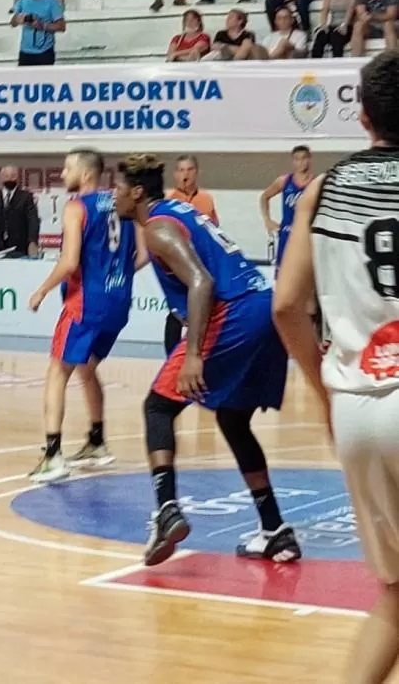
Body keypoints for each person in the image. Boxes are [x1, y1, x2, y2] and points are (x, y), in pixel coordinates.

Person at [273, 49, 399, 684]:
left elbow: (286, 306)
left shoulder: (321, 190)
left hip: (357, 407)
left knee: (395, 593)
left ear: (364, 116)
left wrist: (327, 393)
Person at [112, 154, 301, 567]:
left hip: (235, 313)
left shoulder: (158, 227)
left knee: (158, 407)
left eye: (118, 189)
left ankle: (167, 510)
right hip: (264, 308)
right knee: (233, 419)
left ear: (138, 193)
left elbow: (201, 281)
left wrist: (194, 354)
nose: (113, 197)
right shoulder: (180, 211)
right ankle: (275, 529)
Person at [27, 150, 145, 483]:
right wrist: (117, 276)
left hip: (85, 304)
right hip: (118, 303)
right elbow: (144, 254)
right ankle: (97, 442)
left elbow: (69, 263)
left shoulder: (76, 207)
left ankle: (53, 456)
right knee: (86, 367)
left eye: (68, 168)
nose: (63, 174)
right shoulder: (123, 203)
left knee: (56, 371)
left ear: (86, 173)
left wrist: (41, 290)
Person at [164, 155, 218, 356]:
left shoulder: (206, 200)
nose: (185, 175)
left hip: (202, 265)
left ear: (197, 172)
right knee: (176, 314)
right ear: (175, 174)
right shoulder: (169, 201)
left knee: (204, 312)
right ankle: (171, 358)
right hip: (179, 265)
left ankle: (202, 354)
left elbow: (214, 231)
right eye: (181, 170)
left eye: (189, 170)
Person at [259, 145, 313, 270]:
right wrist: (267, 220)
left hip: (307, 235)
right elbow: (264, 197)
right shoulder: (284, 181)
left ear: (310, 159)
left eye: (304, 158)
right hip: (287, 234)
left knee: (305, 274)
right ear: (293, 161)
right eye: (297, 159)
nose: (301, 162)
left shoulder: (316, 183)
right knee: (283, 272)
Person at [11, 0, 66, 66]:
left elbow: (61, 27)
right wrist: (17, 19)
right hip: (25, 51)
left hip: (44, 51)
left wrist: (42, 25)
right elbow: (12, 23)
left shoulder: (51, 2)